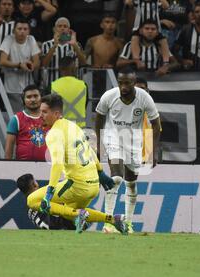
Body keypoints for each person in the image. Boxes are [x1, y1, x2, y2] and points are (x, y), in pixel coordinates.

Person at [26, 93, 128, 234]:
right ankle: (113, 219)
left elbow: (57, 164)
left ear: (56, 114)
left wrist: (49, 193)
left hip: (77, 185)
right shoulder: (73, 126)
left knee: (32, 201)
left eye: (44, 112)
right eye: (40, 111)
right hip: (93, 186)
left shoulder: (54, 133)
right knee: (69, 212)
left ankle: (79, 215)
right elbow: (90, 151)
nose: (40, 115)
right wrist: (101, 173)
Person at [95, 66, 161, 234]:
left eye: (127, 83)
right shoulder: (109, 96)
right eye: (120, 83)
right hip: (113, 138)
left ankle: (128, 223)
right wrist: (98, 144)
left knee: (131, 183)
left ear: (134, 82)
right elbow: (99, 119)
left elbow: (156, 125)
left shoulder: (144, 98)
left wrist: (153, 151)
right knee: (116, 178)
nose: (123, 87)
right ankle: (109, 222)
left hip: (133, 142)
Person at [17, 173, 87, 230]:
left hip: (51, 230)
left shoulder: (28, 205)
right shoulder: (41, 198)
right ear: (34, 185)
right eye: (35, 181)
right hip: (60, 226)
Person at [0, 18, 41, 112]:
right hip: (12, 87)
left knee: (30, 116)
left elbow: (37, 62)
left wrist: (31, 65)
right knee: (17, 117)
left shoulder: (31, 39)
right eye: (19, 29)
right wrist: (19, 65)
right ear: (14, 30)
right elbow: (2, 61)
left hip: (29, 87)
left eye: (25, 29)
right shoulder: (8, 39)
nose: (22, 31)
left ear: (29, 31)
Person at [41, 17, 87, 90]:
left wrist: (74, 45)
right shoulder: (47, 44)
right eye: (59, 26)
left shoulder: (76, 45)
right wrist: (54, 46)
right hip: (52, 83)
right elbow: (44, 64)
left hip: (71, 85)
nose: (62, 28)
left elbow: (84, 63)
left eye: (65, 26)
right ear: (54, 29)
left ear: (69, 30)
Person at [4, 84, 48, 160]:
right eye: (29, 97)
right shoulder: (16, 119)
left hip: (47, 165)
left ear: (41, 98)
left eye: (35, 96)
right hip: (22, 167)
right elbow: (9, 147)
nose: (33, 99)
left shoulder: (49, 117)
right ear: (23, 100)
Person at [50, 56, 87, 127]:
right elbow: (85, 105)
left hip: (60, 127)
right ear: (74, 68)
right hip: (78, 127)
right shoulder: (83, 85)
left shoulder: (53, 85)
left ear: (60, 69)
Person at [0, 0, 15, 66]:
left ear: (13, 9)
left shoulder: (17, 25)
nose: (7, 7)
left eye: (9, 4)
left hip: (9, 68)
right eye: (4, 4)